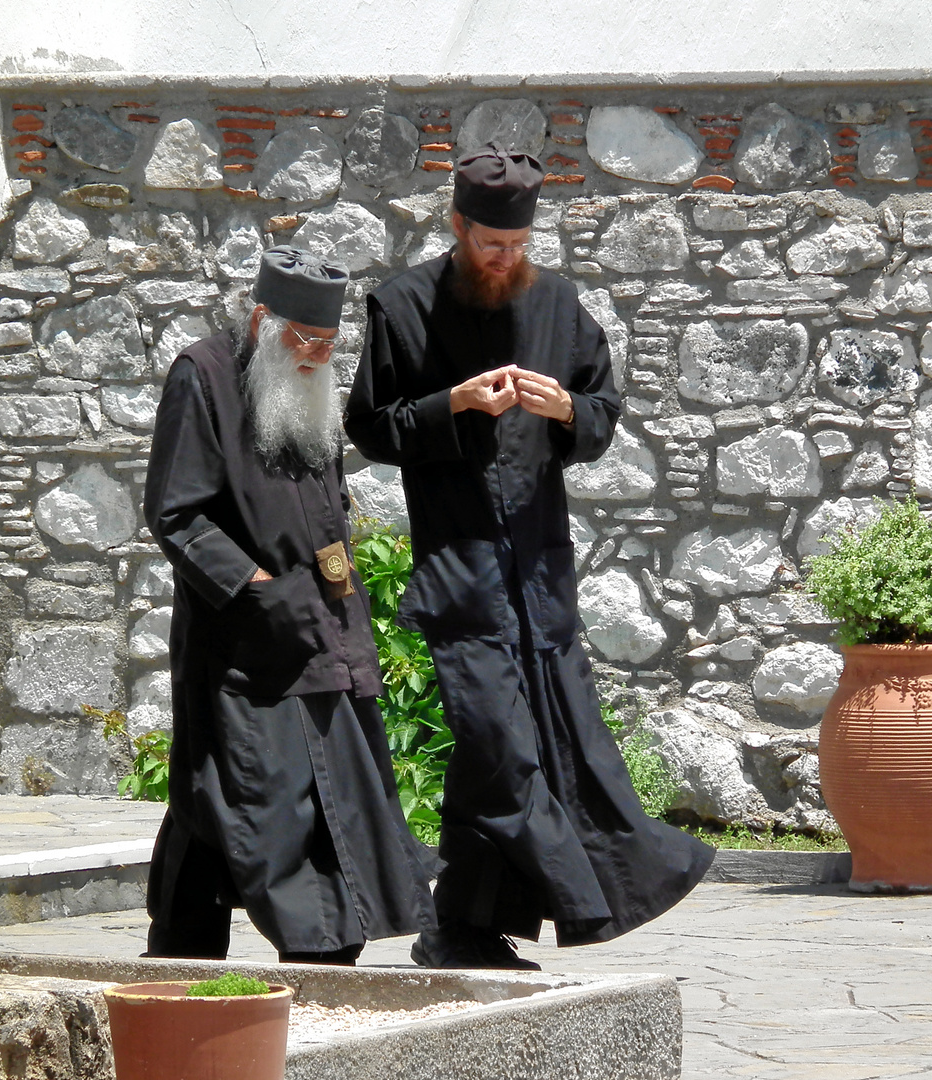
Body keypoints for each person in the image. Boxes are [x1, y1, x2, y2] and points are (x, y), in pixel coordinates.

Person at [344, 143, 714, 970]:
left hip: (541, 578)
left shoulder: (558, 303)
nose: (505, 261)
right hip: (462, 579)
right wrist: (453, 403)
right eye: (489, 246)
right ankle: (602, 887)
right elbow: (370, 427)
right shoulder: (402, 306)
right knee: (505, 749)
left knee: (520, 748)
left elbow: (602, 414)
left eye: (517, 248)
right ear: (457, 226)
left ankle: (463, 928)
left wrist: (567, 409)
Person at [142, 245, 435, 965]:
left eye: (328, 345)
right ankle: (316, 948)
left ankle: (218, 946)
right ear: (263, 319)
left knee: (252, 797)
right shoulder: (203, 374)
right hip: (243, 641)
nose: (314, 356)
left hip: (323, 629)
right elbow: (177, 512)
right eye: (303, 341)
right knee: (260, 797)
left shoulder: (307, 384)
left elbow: (324, 502)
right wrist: (253, 587)